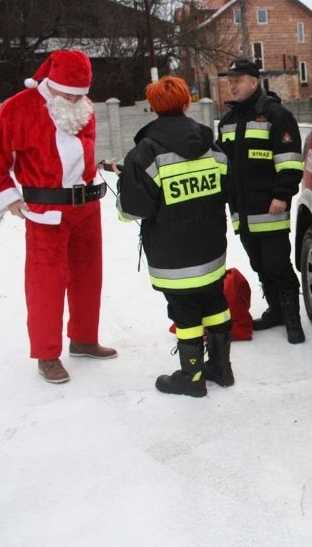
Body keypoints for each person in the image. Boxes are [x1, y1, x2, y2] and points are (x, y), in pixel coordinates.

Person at [0, 50, 117, 384]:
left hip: (85, 208)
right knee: (46, 286)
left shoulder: (85, 106)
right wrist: (8, 197)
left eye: (80, 92)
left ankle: (84, 338)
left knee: (88, 276)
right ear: (52, 84)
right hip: (46, 213)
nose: (75, 98)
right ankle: (47, 354)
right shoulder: (20, 107)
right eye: (68, 92)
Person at [116, 76, 233, 398]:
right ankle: (222, 369)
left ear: (153, 108)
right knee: (215, 302)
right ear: (186, 104)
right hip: (211, 249)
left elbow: (132, 210)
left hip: (173, 257)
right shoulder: (212, 146)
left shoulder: (146, 152)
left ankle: (192, 378)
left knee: (185, 312)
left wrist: (124, 189)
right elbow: (227, 187)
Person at [217, 59, 306, 344]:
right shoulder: (228, 121)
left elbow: (290, 160)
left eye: (238, 80)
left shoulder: (275, 115)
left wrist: (282, 195)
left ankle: (293, 320)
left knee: (277, 264)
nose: (232, 85)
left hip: (271, 209)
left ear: (254, 82)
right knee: (259, 264)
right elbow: (223, 164)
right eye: (229, 81)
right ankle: (277, 312)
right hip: (242, 211)